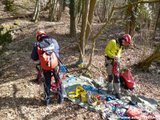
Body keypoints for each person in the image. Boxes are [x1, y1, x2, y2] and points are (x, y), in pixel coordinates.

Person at [31, 30, 63, 105]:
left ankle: (46, 100)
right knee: (58, 80)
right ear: (45, 34)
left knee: (47, 82)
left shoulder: (37, 44)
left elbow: (34, 57)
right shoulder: (53, 40)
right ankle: (61, 98)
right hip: (55, 64)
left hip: (45, 66)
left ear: (38, 37)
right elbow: (57, 50)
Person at [104, 34, 132, 99]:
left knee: (116, 76)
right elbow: (106, 50)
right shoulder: (113, 42)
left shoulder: (120, 46)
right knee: (110, 76)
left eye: (126, 43)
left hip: (116, 62)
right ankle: (109, 90)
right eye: (125, 42)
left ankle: (117, 92)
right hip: (109, 61)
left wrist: (118, 57)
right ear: (123, 39)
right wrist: (113, 56)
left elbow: (119, 53)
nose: (125, 44)